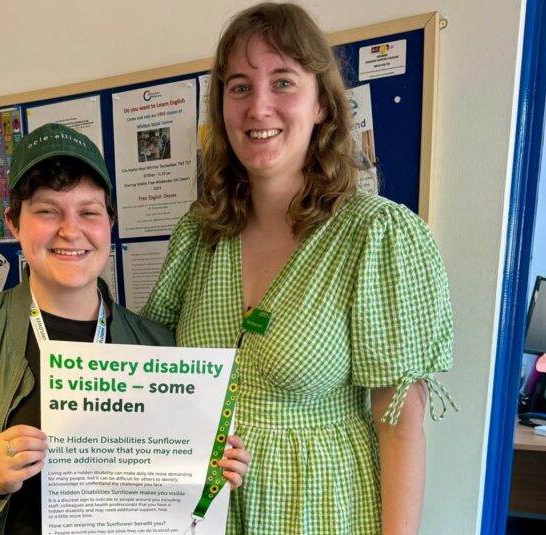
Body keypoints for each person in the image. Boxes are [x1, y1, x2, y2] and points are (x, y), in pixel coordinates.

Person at [141, 3, 456, 534]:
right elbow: (153, 374)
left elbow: (400, 426)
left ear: (322, 106)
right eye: (238, 87)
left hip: (320, 510)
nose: (258, 107)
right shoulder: (199, 235)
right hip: (205, 510)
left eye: (283, 82)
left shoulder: (375, 236)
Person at [0, 123, 251, 535]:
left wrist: (213, 471)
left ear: (109, 223)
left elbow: (179, 504)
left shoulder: (157, 347)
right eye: (47, 211)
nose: (71, 230)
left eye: (89, 211)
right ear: (14, 223)